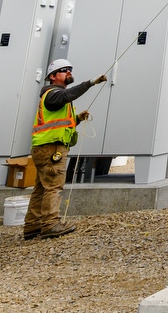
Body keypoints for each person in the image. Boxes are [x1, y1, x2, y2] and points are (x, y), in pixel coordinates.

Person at [24, 58, 106, 240]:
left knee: (41, 188)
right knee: (53, 186)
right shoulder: (53, 94)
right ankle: (50, 224)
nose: (69, 72)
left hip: (44, 148)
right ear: (52, 76)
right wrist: (91, 83)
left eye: (70, 69)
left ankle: (32, 226)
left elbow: (57, 123)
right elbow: (67, 97)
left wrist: (77, 119)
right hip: (51, 149)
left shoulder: (54, 96)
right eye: (64, 70)